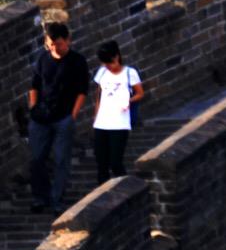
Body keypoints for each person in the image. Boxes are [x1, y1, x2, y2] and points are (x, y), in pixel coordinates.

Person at [26, 22, 88, 213]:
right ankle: (40, 197)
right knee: (36, 159)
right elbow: (34, 85)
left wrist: (73, 115)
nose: (55, 48)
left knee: (62, 159)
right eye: (51, 44)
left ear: (67, 40)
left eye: (58, 43)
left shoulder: (77, 61)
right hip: (40, 118)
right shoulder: (43, 59)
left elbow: (82, 91)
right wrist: (33, 107)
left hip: (63, 118)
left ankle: (56, 199)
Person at [90, 42, 142, 185]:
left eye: (110, 62)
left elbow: (139, 93)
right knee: (101, 161)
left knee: (115, 161)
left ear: (117, 57)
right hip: (102, 121)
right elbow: (99, 94)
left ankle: (127, 187)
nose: (108, 66)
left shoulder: (129, 73)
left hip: (120, 122)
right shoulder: (102, 72)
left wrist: (128, 101)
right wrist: (96, 114)